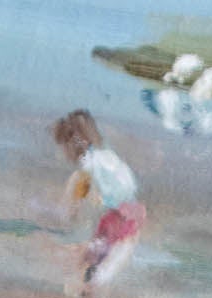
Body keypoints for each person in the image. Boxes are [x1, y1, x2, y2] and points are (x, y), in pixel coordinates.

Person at [51, 110, 145, 287]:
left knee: (96, 264)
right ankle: (85, 290)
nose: (64, 153)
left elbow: (81, 190)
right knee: (97, 261)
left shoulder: (88, 165)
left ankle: (84, 290)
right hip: (125, 213)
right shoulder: (106, 155)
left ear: (73, 143)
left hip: (121, 217)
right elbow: (125, 184)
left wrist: (71, 210)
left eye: (64, 147)